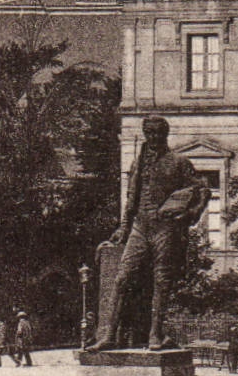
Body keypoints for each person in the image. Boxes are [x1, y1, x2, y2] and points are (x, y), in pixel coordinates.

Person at [86, 116, 211, 351]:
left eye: (157, 133)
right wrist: (124, 227)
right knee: (122, 278)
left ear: (165, 134)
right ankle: (109, 335)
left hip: (165, 227)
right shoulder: (138, 162)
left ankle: (155, 334)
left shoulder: (178, 161)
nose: (153, 137)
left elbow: (203, 190)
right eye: (149, 133)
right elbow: (131, 199)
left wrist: (189, 214)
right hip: (140, 226)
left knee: (161, 281)